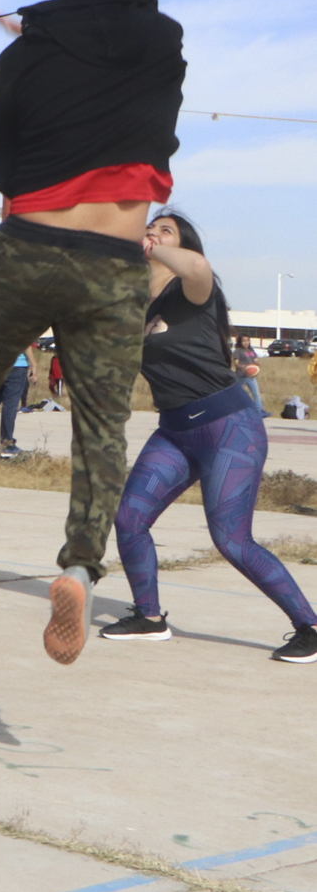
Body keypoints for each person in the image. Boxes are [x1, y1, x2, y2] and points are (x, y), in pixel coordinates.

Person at [0, 0, 185, 667]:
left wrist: (37, 43)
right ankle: (77, 566)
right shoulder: (167, 45)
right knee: (102, 429)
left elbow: (5, 173)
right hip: (113, 256)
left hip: (31, 245)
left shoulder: (24, 55)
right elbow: (128, 28)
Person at [100, 210, 317, 662]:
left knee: (232, 539)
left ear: (182, 245)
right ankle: (150, 617)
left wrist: (151, 246)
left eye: (166, 231)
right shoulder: (139, 304)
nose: (153, 235)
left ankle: (310, 626)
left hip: (229, 429)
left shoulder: (193, 288)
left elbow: (197, 266)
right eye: (150, 229)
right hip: (175, 430)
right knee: (128, 519)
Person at [233, 335, 265, 413]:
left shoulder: (251, 350)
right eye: (243, 341)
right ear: (240, 342)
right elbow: (236, 363)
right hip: (241, 376)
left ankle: (259, 410)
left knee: (256, 394)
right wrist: (243, 367)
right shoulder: (238, 351)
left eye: (247, 340)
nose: (246, 342)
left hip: (251, 377)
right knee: (239, 394)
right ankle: (237, 410)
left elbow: (255, 361)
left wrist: (257, 368)